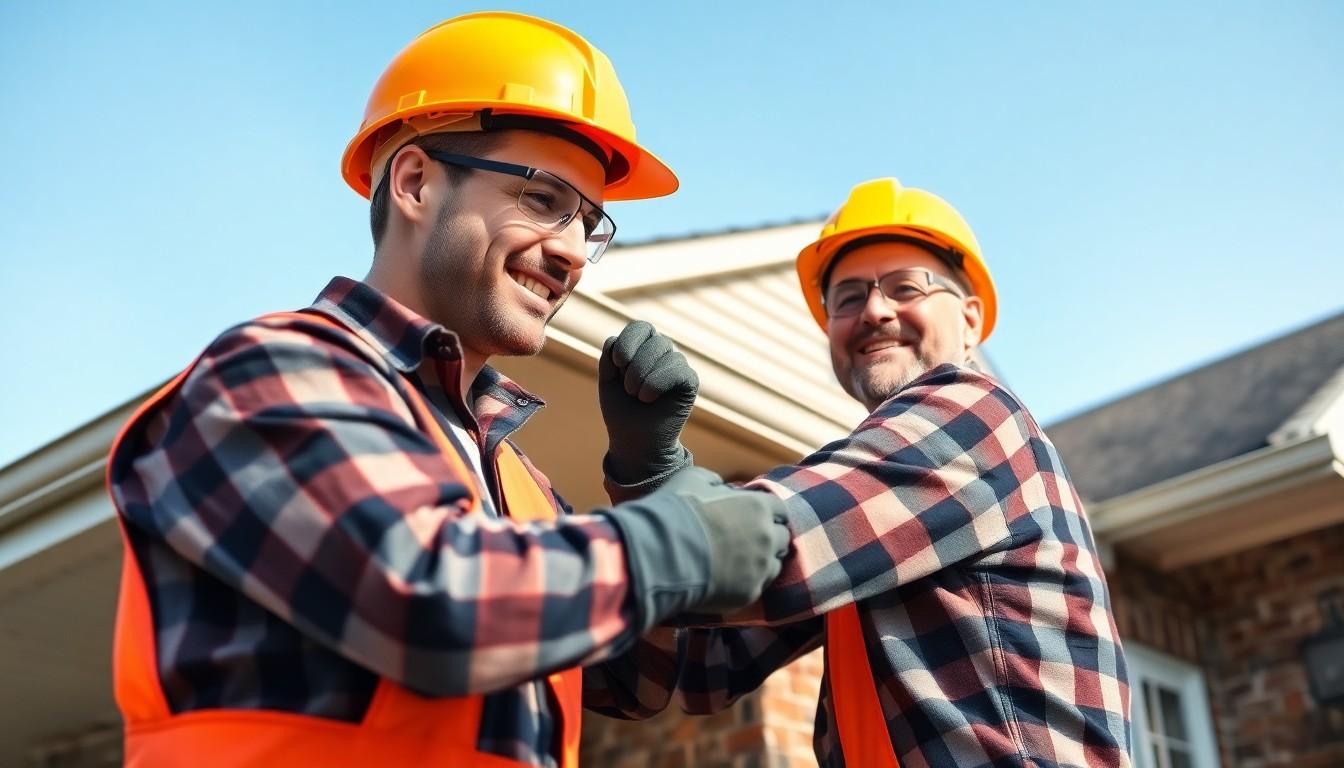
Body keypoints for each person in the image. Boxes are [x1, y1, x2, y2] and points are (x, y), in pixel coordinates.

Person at [104, 12, 788, 767]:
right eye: (543, 199)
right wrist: (676, 541)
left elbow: (638, 678)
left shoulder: (510, 477)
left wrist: (648, 481)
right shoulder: (270, 375)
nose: (572, 252)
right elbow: (426, 600)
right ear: (417, 183)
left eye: (589, 221)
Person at [592, 178, 1132, 767]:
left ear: (971, 320)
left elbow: (767, 546)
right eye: (847, 297)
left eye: (906, 287)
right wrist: (649, 475)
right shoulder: (872, 489)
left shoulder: (977, 415)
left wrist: (636, 497)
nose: (874, 310)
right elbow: (699, 667)